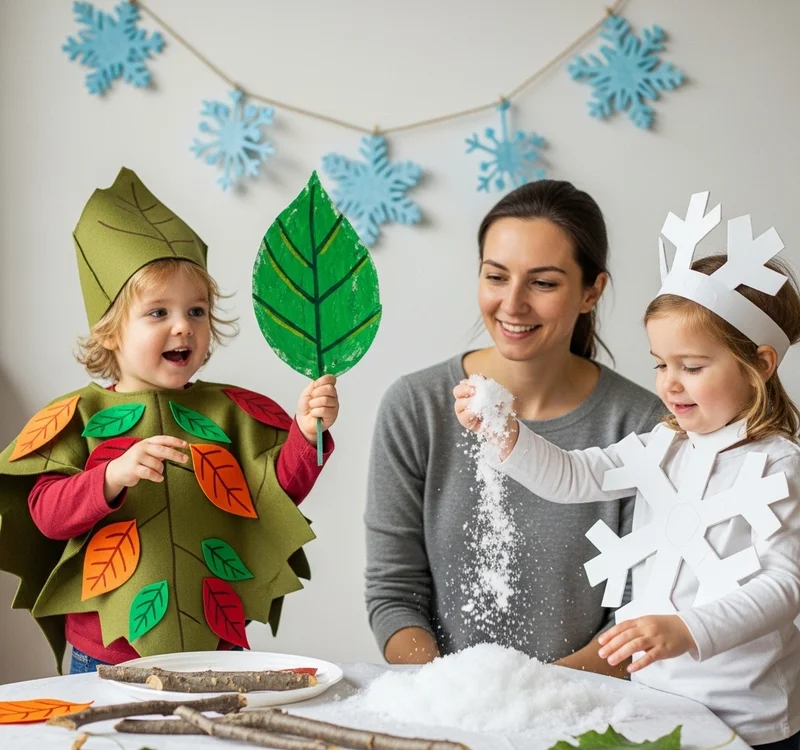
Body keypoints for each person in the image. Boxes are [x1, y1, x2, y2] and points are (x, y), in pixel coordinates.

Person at [455, 206, 800, 750]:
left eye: (691, 366)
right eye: (660, 363)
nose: (668, 382)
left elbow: (785, 585)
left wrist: (688, 630)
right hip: (657, 701)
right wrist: (506, 434)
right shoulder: (664, 444)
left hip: (747, 719)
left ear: (759, 365)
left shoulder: (780, 465)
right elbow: (573, 476)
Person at [0, 167, 339, 674]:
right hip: (107, 657)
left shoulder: (231, 411)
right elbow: (46, 514)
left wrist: (306, 434)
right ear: (110, 332)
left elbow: (274, 495)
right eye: (158, 313)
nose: (184, 325)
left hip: (218, 649)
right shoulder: (79, 416)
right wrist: (111, 477)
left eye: (197, 311)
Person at [365, 179, 664, 674]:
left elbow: (636, 615)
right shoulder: (415, 407)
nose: (512, 304)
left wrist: (534, 696)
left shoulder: (641, 425)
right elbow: (394, 595)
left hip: (591, 709)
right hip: (445, 706)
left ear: (592, 291)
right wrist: (454, 693)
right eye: (496, 276)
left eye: (543, 283)